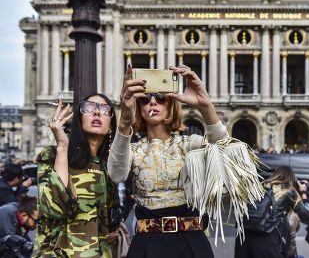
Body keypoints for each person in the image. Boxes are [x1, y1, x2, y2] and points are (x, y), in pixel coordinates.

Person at [107, 64, 229, 258]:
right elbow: (116, 174)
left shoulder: (190, 144)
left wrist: (206, 106)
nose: (153, 102)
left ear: (171, 104)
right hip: (147, 243)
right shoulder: (133, 150)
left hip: (190, 242)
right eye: (145, 98)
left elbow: (226, 153)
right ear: (139, 106)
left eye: (161, 97)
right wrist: (124, 122)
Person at [33, 94, 119, 258]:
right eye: (89, 108)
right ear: (79, 120)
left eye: (104, 109)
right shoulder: (52, 155)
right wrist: (62, 147)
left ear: (110, 125)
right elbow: (54, 209)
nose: (96, 113)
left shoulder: (108, 165)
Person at [234, 166, 309, 258]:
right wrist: (303, 192)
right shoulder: (288, 190)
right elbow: (307, 215)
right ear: (291, 178)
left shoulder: (259, 186)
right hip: (266, 238)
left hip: (243, 236)